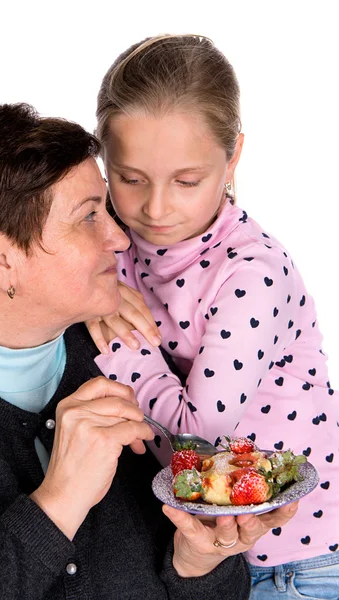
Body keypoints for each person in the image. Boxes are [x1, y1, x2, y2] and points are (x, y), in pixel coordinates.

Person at [0, 102, 298, 599]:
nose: (119, 237)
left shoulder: (127, 350)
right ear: (0, 257)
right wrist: (60, 500)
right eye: (89, 216)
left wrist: (198, 564)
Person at [87, 34, 339, 599]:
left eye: (186, 181)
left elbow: (196, 448)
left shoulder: (252, 272)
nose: (155, 208)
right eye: (129, 179)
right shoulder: (111, 244)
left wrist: (123, 341)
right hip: (190, 558)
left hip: (297, 567)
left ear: (233, 157)